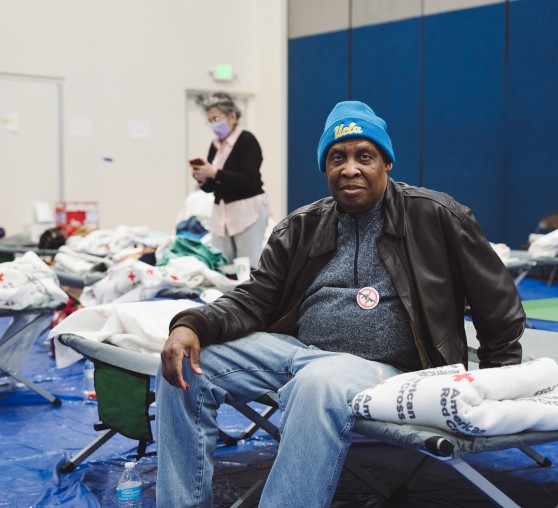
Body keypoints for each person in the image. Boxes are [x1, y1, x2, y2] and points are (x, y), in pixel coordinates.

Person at [156, 101, 525, 507]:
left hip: (395, 371)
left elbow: (500, 308)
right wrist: (192, 324)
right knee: (188, 362)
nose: (350, 168)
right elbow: (256, 297)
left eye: (363, 156)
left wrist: (496, 385)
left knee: (321, 382)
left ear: (385, 163)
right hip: (298, 354)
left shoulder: (438, 216)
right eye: (337, 158)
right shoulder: (301, 226)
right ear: (325, 168)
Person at [190, 92, 271, 269]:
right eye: (210, 120)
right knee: (222, 265)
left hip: (248, 210)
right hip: (222, 214)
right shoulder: (215, 145)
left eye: (216, 118)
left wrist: (215, 172)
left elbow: (248, 179)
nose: (213, 124)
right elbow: (212, 185)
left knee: (248, 267)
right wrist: (203, 178)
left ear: (232, 116)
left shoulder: (247, 140)